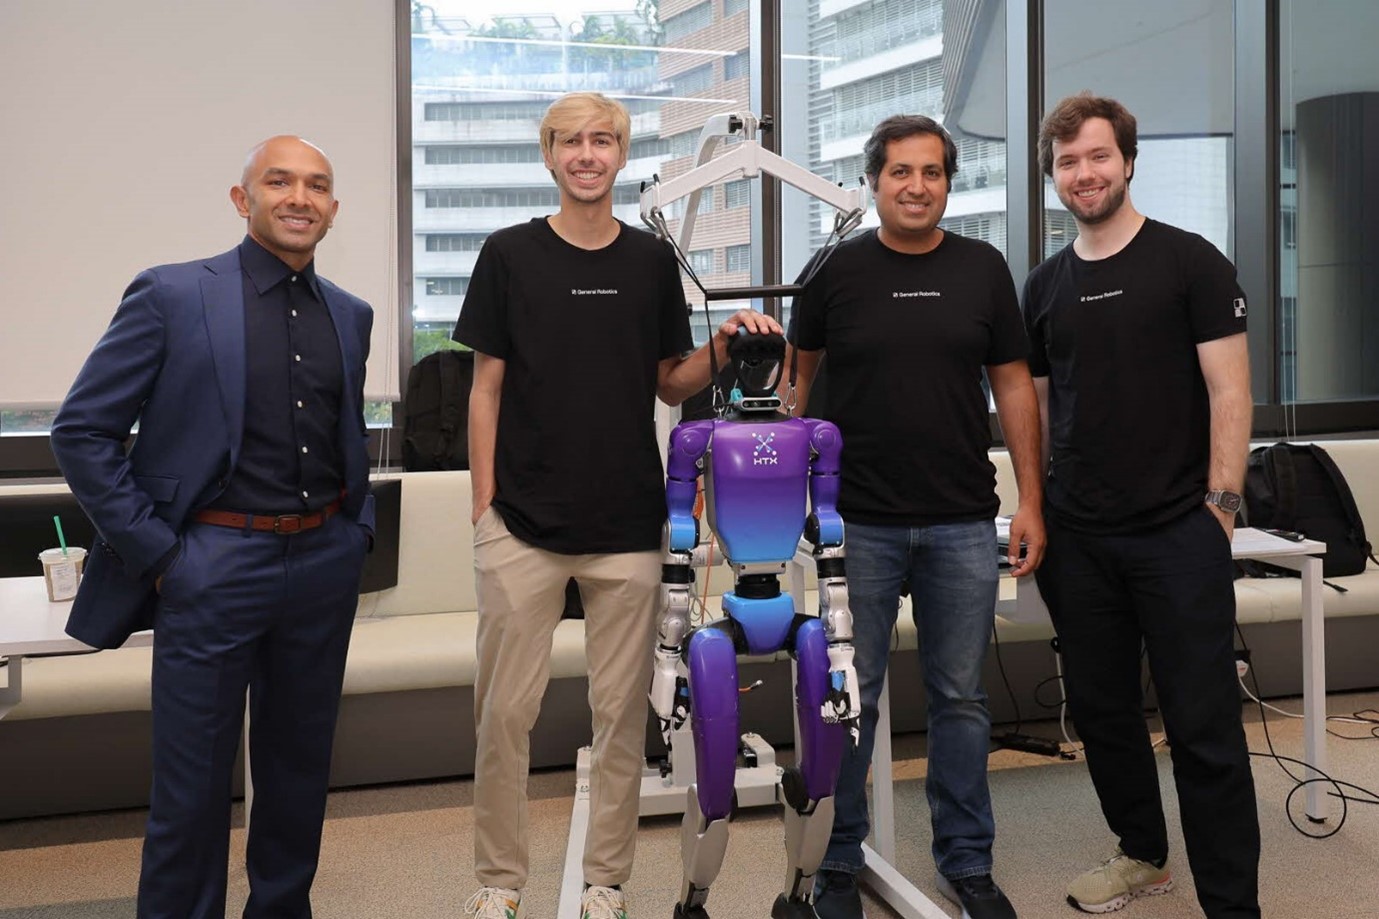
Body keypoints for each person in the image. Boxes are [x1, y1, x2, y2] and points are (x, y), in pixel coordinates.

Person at [455, 91, 780, 919]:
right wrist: (483, 505)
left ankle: (606, 880)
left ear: (621, 154)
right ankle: (499, 882)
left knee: (621, 716)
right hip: (521, 522)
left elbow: (669, 382)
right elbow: (484, 387)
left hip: (627, 523)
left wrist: (721, 346)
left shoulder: (648, 261)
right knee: (505, 714)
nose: (586, 154)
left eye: (602, 140)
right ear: (549, 154)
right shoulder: (508, 254)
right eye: (570, 141)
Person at [50, 135, 376, 919]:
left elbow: (345, 435)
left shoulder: (351, 314)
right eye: (279, 180)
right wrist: (162, 554)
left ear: (333, 209)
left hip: (322, 563)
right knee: (191, 787)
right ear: (242, 199)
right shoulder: (171, 294)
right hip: (209, 562)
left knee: (298, 774)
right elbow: (82, 431)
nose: (299, 197)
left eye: (317, 185)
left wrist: (353, 532)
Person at [787, 114, 1045, 919]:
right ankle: (838, 859)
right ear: (872, 181)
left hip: (961, 519)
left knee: (959, 698)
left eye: (931, 172)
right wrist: (786, 493)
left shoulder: (981, 268)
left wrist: (1031, 499)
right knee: (848, 695)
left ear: (947, 183)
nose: (915, 186)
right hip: (854, 522)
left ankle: (966, 862)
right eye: (899, 171)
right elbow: (796, 386)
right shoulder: (832, 270)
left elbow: (1012, 386)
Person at [1023, 93, 1257, 918]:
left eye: (1097, 156)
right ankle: (1142, 854)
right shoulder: (1042, 286)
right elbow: (1039, 416)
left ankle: (1231, 903)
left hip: (1177, 531)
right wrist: (1036, 508)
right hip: (1079, 540)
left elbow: (1230, 392)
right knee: (1102, 712)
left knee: (1202, 724)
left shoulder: (1190, 263)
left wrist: (1219, 509)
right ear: (1053, 175)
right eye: (1067, 162)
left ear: (1126, 160)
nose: (1083, 174)